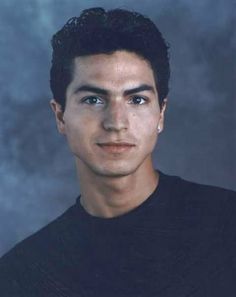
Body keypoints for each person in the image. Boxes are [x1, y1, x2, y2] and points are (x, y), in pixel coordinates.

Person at [0, 7, 235, 297]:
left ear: (161, 113)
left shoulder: (227, 225)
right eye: (93, 100)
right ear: (60, 116)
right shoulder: (22, 275)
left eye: (136, 99)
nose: (116, 123)